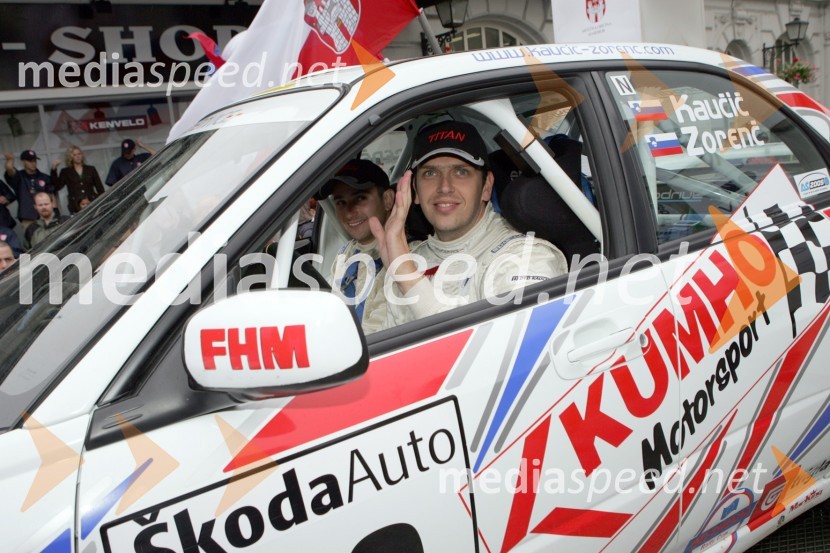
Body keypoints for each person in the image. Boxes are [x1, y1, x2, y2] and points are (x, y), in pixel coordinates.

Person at [368, 120, 567, 329]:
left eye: (461, 171)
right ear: (415, 190)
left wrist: (407, 277)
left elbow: (515, 352)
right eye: (430, 173)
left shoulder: (526, 257)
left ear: (486, 186)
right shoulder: (405, 256)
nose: (444, 187)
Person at [321, 159, 394, 326]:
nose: (349, 212)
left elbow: (379, 334)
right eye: (341, 202)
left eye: (360, 198)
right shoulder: (345, 252)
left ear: (387, 199)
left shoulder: (407, 255)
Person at [5, 150, 54, 229]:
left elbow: (51, 195)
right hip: (28, 217)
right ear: (23, 162)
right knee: (33, 240)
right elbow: (10, 170)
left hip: (46, 215)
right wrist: (9, 160)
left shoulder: (44, 177)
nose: (33, 163)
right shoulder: (19, 177)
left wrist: (55, 212)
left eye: (34, 161)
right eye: (30, 161)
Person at [52, 146, 105, 213]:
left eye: (79, 154)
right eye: (74, 155)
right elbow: (57, 186)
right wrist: (54, 170)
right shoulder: (66, 172)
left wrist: (102, 202)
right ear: (70, 157)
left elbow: (100, 188)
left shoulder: (91, 169)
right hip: (75, 206)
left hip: (92, 202)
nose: (78, 156)